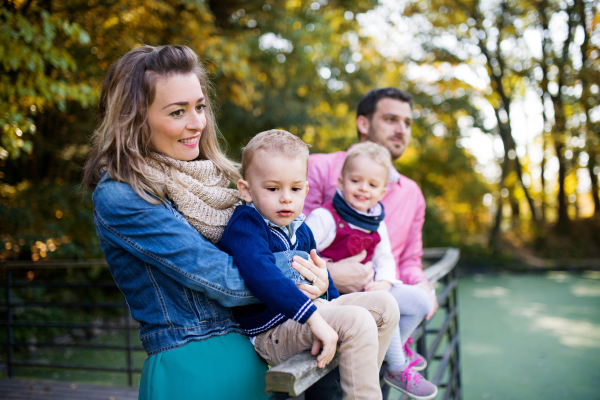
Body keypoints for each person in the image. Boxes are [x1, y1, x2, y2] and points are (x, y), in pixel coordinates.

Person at [83, 45, 330, 400]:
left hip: (254, 356)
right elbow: (225, 280)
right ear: (136, 118)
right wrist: (303, 269)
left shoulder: (210, 182)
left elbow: (262, 249)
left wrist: (319, 275)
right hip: (196, 367)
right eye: (177, 111)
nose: (197, 122)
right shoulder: (124, 194)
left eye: (199, 107)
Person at [218, 129, 400, 400]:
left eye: (295, 189)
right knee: (358, 320)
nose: (286, 198)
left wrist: (328, 289)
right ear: (246, 189)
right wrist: (313, 316)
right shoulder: (248, 226)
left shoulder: (301, 228)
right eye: (272, 188)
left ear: (306, 188)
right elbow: (263, 276)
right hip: (273, 329)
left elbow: (321, 274)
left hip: (311, 314)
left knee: (386, 306)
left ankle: (356, 387)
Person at [303, 87, 439, 389]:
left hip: (382, 304)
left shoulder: (412, 194)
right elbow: (292, 237)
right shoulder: (319, 167)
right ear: (364, 124)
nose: (401, 129)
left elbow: (408, 259)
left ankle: (396, 361)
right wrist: (331, 273)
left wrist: (422, 285)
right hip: (331, 313)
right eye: (391, 119)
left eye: (407, 122)